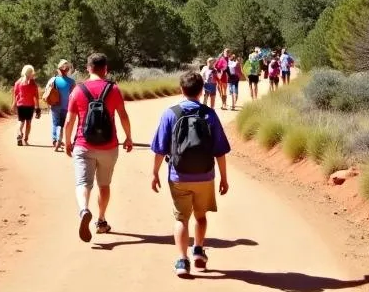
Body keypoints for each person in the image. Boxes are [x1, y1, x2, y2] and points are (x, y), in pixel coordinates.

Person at [150, 69, 231, 277]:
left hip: (179, 175)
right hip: (205, 175)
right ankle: (198, 250)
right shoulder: (209, 114)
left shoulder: (170, 113)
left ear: (181, 89)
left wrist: (154, 173)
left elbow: (160, 148)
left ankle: (182, 260)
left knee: (181, 219)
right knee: (201, 216)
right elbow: (220, 150)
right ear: (201, 90)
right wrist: (223, 177)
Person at [64, 53, 134, 242]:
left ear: (88, 68)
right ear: (105, 69)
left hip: (83, 144)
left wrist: (67, 141)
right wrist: (128, 137)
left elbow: (69, 120)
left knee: (83, 183)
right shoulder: (114, 89)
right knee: (104, 185)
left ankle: (84, 210)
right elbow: (123, 115)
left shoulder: (78, 90)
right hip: (109, 146)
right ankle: (101, 220)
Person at [44, 59, 76, 151]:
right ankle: (59, 139)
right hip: (66, 106)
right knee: (62, 124)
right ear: (68, 70)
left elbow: (47, 92)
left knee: (55, 123)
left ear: (58, 69)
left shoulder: (53, 80)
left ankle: (55, 140)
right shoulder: (72, 82)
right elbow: (74, 95)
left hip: (55, 105)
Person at [12, 64, 40, 145]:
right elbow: (36, 97)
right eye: (32, 73)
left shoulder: (18, 82)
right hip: (30, 106)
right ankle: (26, 139)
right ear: (31, 73)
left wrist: (14, 104)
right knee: (28, 122)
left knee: (20, 121)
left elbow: (16, 95)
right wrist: (37, 108)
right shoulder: (33, 83)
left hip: (20, 105)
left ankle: (19, 134)